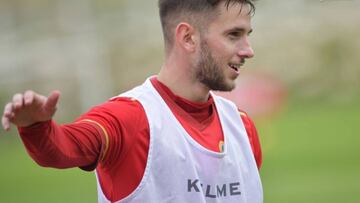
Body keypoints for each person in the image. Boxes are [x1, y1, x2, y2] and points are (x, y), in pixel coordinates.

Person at [1, 0, 263, 202]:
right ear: (188, 37)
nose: (248, 50)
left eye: (247, 34)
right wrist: (36, 128)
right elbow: (63, 148)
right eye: (234, 35)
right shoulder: (130, 117)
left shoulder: (242, 127)